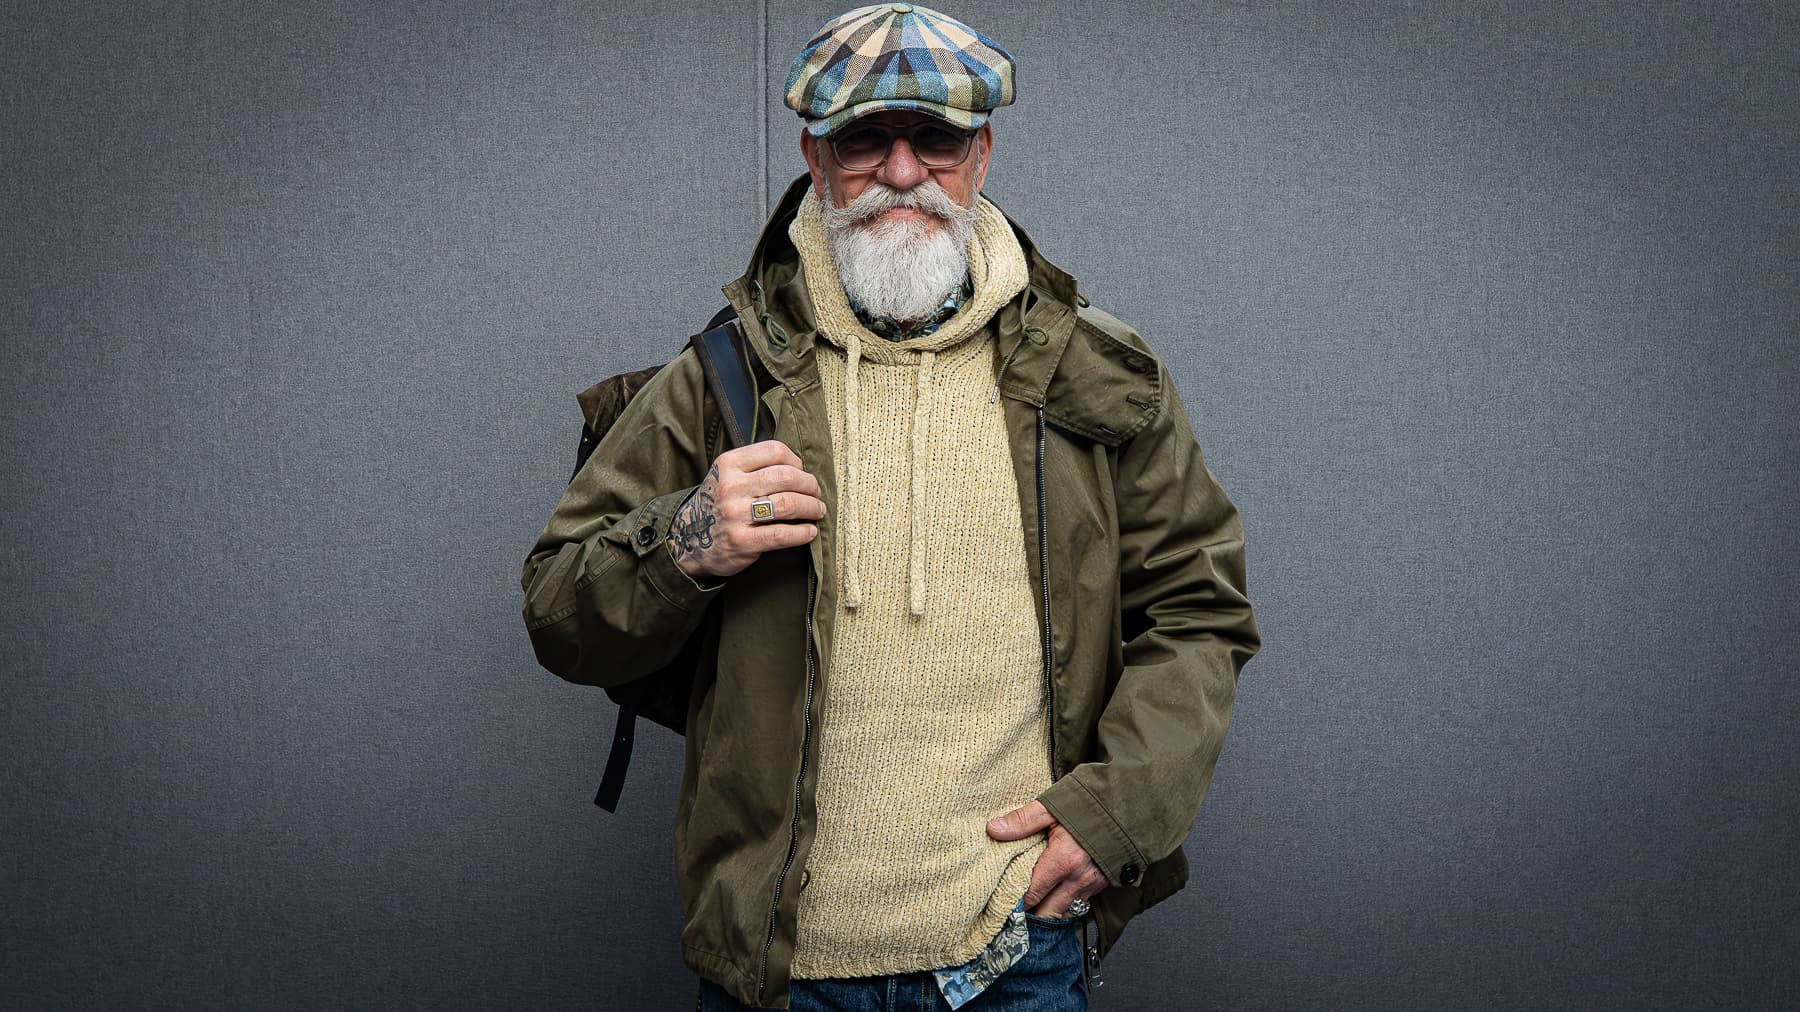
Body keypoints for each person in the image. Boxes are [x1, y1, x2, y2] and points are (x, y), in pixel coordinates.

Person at [520, 4, 1260, 1009]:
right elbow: (557, 610)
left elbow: (1199, 610)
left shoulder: (1093, 371)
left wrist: (1119, 814)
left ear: (981, 155)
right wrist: (686, 539)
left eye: (935, 140)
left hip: (1014, 958)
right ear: (816, 159)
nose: (902, 173)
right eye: (865, 140)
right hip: (781, 974)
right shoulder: (727, 376)